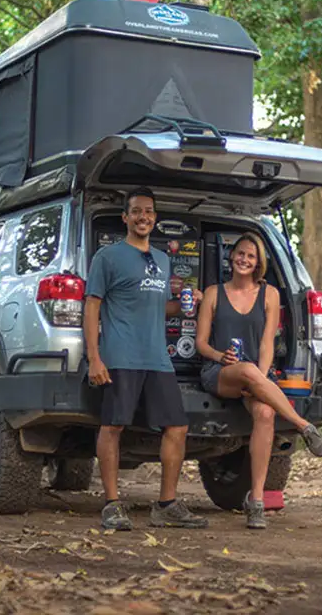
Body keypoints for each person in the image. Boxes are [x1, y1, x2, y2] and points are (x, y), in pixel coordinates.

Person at [84, 187, 207, 531]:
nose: (143, 217)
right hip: (121, 355)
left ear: (155, 217)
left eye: (149, 212)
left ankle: (166, 504)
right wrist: (95, 358)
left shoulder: (162, 259)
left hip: (157, 358)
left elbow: (161, 306)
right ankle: (111, 504)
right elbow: (92, 307)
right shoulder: (107, 258)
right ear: (125, 217)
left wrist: (187, 303)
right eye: (136, 211)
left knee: (177, 427)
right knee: (113, 426)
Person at [195, 232, 322, 530]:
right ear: (231, 257)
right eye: (240, 254)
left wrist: (261, 376)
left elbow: (268, 342)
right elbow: (201, 344)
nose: (244, 259)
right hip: (221, 372)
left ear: (259, 263)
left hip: (258, 374)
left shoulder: (270, 295)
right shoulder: (214, 293)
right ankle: (302, 425)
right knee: (245, 370)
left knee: (266, 413)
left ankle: (255, 500)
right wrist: (220, 357)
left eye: (251, 256)